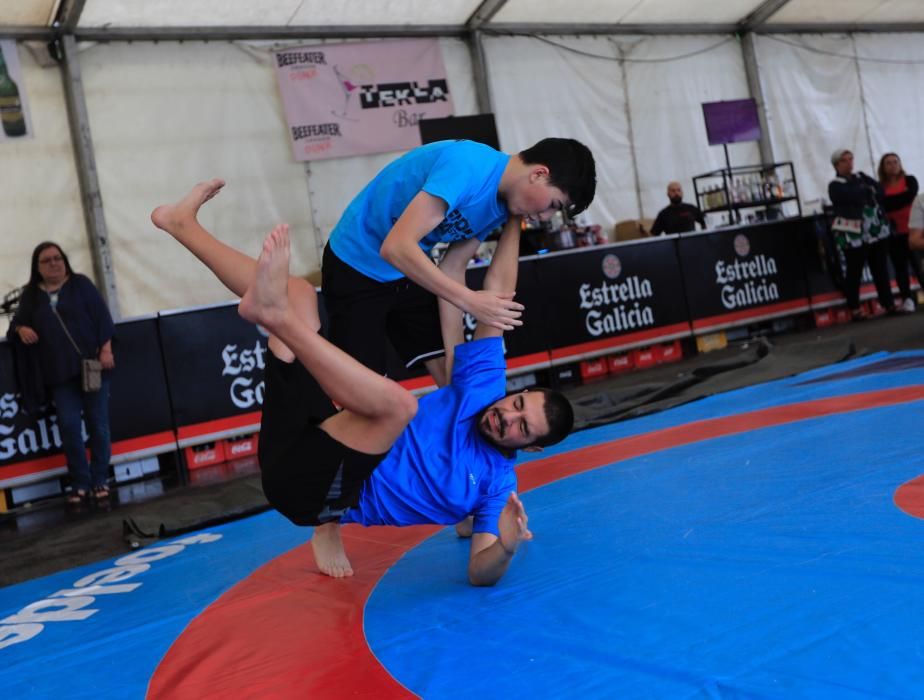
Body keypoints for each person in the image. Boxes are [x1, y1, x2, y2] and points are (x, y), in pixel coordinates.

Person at [151, 180, 575, 586]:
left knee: (399, 406)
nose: (507, 417)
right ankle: (182, 225)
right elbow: (499, 297)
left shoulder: (498, 486)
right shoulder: (484, 392)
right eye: (517, 404)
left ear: (530, 448)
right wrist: (514, 218)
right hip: (312, 437)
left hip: (309, 492)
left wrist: (505, 546)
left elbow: (479, 573)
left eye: (522, 427)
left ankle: (273, 319)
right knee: (298, 294)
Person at [322, 137, 596, 385]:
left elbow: (453, 269)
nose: (545, 217)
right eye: (554, 205)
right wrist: (470, 301)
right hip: (355, 265)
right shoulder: (468, 166)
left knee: (455, 378)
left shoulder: (501, 205)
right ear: (538, 174)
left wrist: (456, 368)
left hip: (406, 271)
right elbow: (395, 246)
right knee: (366, 391)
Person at [8, 243, 115, 503]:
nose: (54, 263)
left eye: (58, 258)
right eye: (47, 260)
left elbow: (102, 317)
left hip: (92, 366)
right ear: (37, 267)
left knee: (98, 426)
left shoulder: (81, 284)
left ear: (65, 260)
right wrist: (21, 329)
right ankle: (80, 482)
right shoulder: (32, 295)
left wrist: (106, 349)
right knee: (69, 427)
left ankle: (100, 479)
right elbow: (16, 323)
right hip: (59, 375)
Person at [828, 148, 896, 321]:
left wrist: (866, 191)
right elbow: (852, 196)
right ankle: (855, 307)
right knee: (854, 270)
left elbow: (879, 190)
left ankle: (888, 303)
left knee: (880, 267)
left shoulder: (861, 177)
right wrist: (865, 191)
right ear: (837, 164)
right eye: (845, 160)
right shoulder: (835, 185)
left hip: (874, 228)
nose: (850, 163)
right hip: (853, 233)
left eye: (851, 159)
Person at [878, 152, 919, 313]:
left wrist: (895, 202)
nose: (893, 165)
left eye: (895, 162)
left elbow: (911, 196)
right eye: (888, 163)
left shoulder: (910, 180)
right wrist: (900, 200)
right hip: (894, 233)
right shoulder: (880, 187)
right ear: (883, 167)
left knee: (919, 265)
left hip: (915, 229)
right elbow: (885, 205)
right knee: (900, 268)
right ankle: (907, 299)